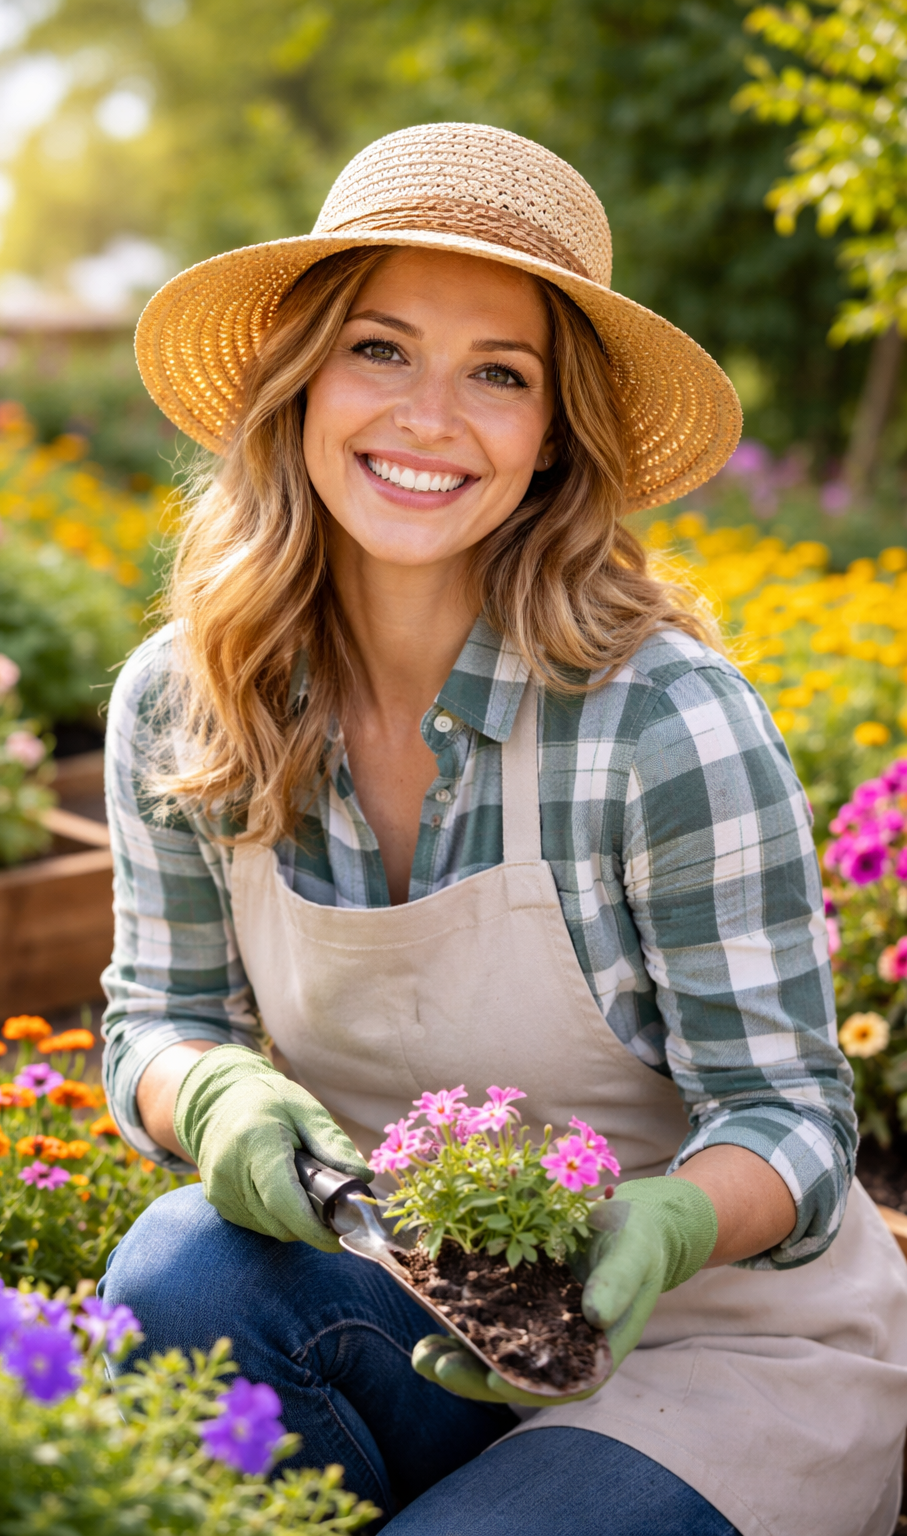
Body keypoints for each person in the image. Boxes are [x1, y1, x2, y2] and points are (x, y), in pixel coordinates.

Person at [97, 123, 907, 1534]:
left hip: (715, 1355)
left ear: (550, 441)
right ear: (299, 384)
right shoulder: (189, 700)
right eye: (379, 348)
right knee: (183, 1271)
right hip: (422, 1302)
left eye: (500, 374)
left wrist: (666, 1221)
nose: (428, 417)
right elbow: (155, 1019)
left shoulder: (661, 723)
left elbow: (792, 1116)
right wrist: (206, 1093)